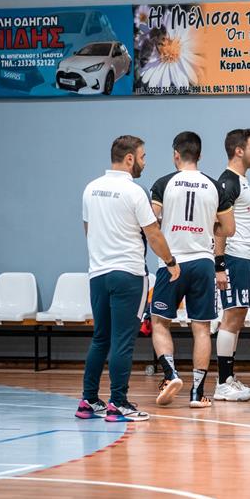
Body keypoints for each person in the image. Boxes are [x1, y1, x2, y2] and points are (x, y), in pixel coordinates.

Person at [76, 135, 180, 422]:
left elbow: (89, 229)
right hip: (129, 275)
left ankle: (88, 400)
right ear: (130, 158)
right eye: (143, 157)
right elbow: (154, 234)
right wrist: (170, 262)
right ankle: (118, 402)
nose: (145, 163)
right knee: (123, 341)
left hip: (98, 275)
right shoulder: (135, 192)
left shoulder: (90, 189)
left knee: (101, 338)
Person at [149, 131, 235, 408]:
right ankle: (198, 393)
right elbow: (229, 229)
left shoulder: (163, 183)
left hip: (172, 262)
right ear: (199, 155)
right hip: (202, 263)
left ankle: (170, 374)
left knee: (160, 322)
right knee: (201, 328)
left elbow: (151, 221)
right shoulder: (214, 186)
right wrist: (204, 225)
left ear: (176, 154)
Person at [214, 128, 250, 402]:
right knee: (231, 317)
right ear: (239, 150)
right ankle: (221, 383)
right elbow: (218, 227)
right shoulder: (228, 181)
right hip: (233, 257)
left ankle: (229, 378)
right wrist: (219, 266)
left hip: (246, 256)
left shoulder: (242, 181)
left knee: (238, 316)